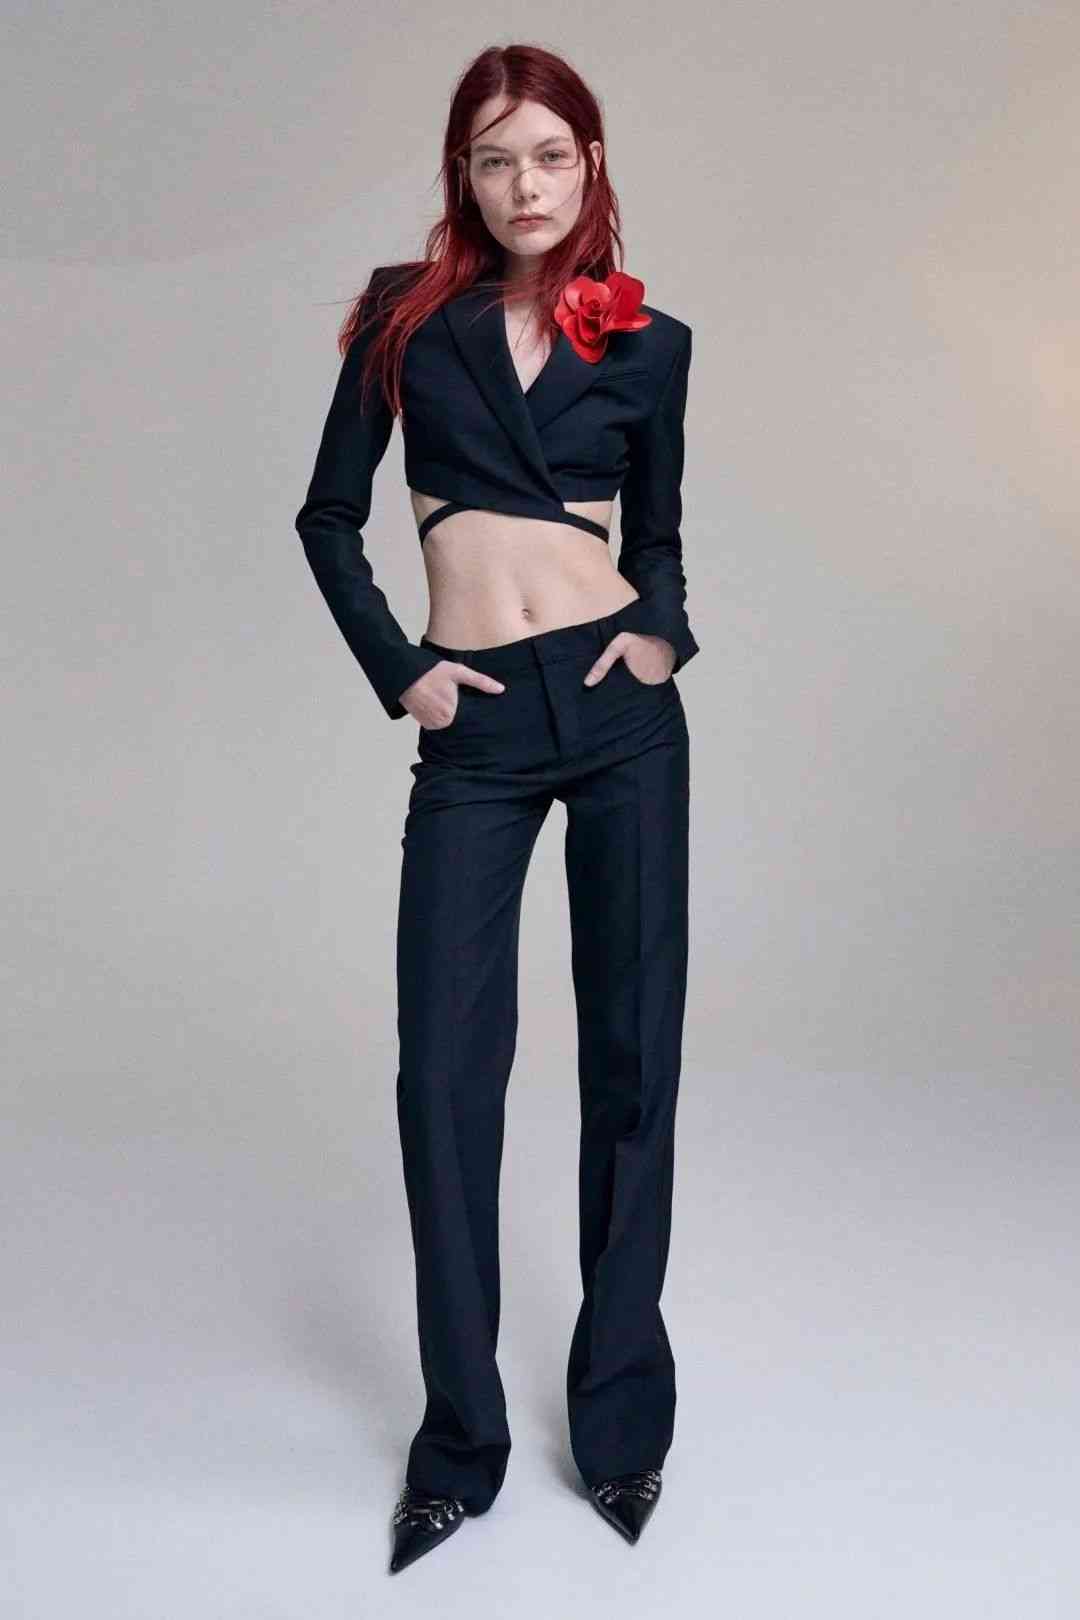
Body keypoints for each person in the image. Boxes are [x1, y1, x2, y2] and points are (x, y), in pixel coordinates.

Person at [293, 42, 699, 1574]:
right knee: (444, 1077)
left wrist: (660, 631)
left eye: (548, 155)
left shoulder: (646, 338)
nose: (523, 186)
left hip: (620, 719)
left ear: (591, 164)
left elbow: (657, 533)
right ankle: (459, 1441)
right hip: (475, 728)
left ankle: (623, 1425)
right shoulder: (408, 316)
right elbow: (330, 514)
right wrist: (401, 667)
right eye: (491, 158)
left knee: (633, 1062)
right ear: (460, 175)